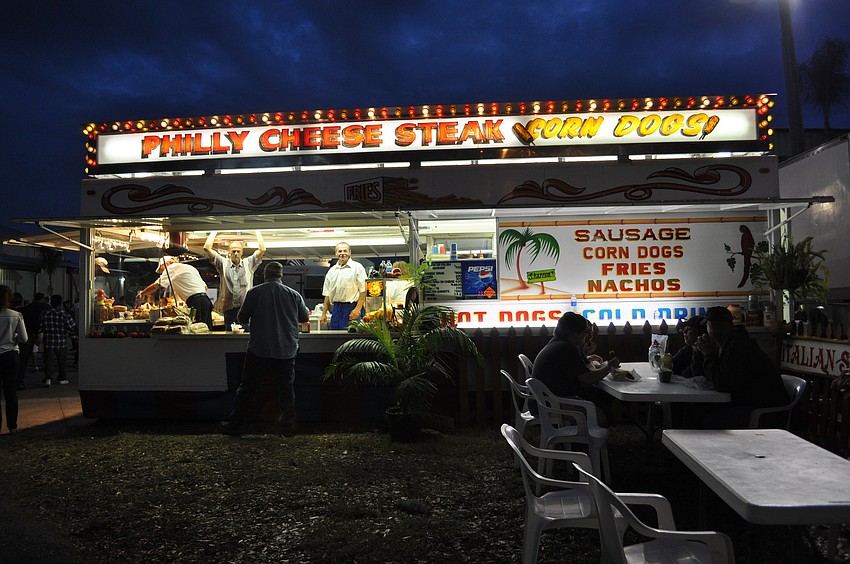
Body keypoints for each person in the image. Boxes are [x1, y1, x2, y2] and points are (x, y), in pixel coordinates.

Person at [219, 261, 310, 436]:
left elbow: (243, 318)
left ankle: (236, 425)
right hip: (286, 350)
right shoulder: (293, 294)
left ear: (265, 275)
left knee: (247, 388)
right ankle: (288, 427)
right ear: (281, 275)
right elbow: (304, 317)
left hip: (259, 349)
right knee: (286, 390)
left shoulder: (255, 293)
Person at [693, 306, 788, 429]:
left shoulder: (737, 347)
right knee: (697, 410)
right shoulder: (732, 342)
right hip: (752, 404)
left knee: (702, 418)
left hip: (764, 412)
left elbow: (722, 383)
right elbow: (701, 377)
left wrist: (708, 354)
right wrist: (698, 353)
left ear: (710, 327)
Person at [529, 312, 619, 425]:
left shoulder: (558, 343)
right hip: (551, 404)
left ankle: (577, 440)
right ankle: (583, 440)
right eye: (585, 332)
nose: (587, 337)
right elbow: (587, 378)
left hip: (544, 400)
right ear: (574, 333)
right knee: (603, 418)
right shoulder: (566, 348)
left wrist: (584, 354)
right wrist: (609, 367)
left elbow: (581, 371)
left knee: (600, 400)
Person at [203, 230, 266, 328]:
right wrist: (214, 231)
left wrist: (257, 231)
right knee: (229, 335)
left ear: (242, 252)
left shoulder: (248, 263)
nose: (236, 253)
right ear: (229, 252)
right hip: (229, 309)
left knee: (247, 335)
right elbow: (207, 248)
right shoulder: (223, 263)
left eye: (238, 251)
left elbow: (262, 249)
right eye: (233, 251)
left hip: (246, 308)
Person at [138, 256, 213, 329]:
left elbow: (156, 285)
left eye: (162, 269)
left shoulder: (171, 268)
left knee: (196, 330)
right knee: (206, 330)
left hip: (196, 302)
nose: (162, 272)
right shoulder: (189, 267)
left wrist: (143, 293)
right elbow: (204, 287)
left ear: (166, 264)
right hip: (206, 300)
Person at [320, 242, 367, 330]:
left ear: (349, 253)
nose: (342, 253)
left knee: (351, 340)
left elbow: (363, 291)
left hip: (351, 308)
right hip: (336, 309)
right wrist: (324, 314)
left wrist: (357, 309)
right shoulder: (332, 271)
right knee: (335, 337)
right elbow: (327, 294)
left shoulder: (357, 267)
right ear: (336, 253)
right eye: (340, 251)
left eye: (345, 251)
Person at [0, 286, 27, 434]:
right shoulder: (16, 315)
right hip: (10, 354)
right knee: (10, 392)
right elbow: (24, 338)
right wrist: (14, 337)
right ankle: (12, 426)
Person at [39, 294, 75, 387]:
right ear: (60, 303)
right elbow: (71, 326)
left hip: (48, 341)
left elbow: (40, 326)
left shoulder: (45, 313)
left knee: (48, 361)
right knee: (61, 361)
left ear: (51, 301)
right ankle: (62, 378)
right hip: (61, 341)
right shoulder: (64, 314)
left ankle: (48, 378)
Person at [16, 292, 49, 389]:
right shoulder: (45, 307)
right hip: (30, 335)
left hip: (16, 338)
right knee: (23, 361)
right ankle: (19, 381)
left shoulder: (25, 309)